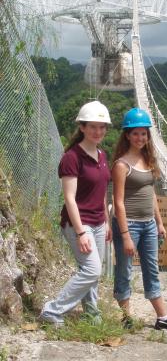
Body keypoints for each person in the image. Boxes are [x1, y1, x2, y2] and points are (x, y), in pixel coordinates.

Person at [111, 107, 167, 330]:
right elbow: (118, 203)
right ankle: (126, 317)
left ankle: (162, 317)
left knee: (151, 269)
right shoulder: (121, 165)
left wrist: (159, 223)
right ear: (127, 135)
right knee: (124, 270)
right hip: (129, 226)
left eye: (143, 133)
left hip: (149, 225)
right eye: (135, 133)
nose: (140, 137)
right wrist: (125, 236)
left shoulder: (148, 160)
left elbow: (151, 193)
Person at [40, 100, 112, 326]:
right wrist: (81, 233)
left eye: (102, 127)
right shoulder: (71, 157)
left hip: (99, 222)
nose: (98, 131)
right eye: (93, 126)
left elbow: (100, 192)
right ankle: (52, 310)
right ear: (82, 127)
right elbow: (69, 198)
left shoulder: (101, 155)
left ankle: (92, 311)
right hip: (78, 223)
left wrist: (107, 222)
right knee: (92, 270)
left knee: (90, 269)